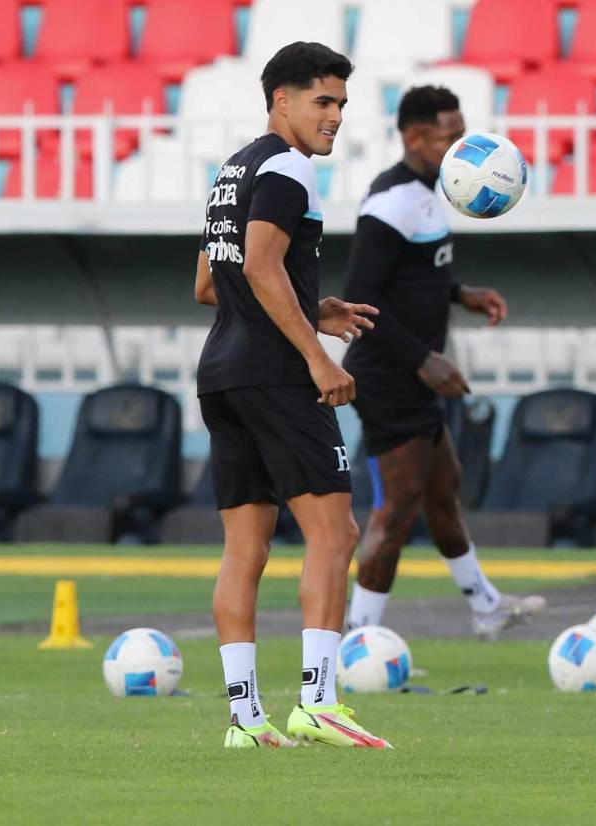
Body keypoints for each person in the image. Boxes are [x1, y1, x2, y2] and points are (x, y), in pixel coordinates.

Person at [195, 42, 389, 749]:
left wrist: (316, 306)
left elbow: (211, 284)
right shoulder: (287, 166)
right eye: (323, 102)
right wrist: (317, 356)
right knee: (335, 535)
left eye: (341, 103)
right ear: (282, 99)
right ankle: (319, 700)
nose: (335, 117)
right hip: (276, 375)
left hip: (221, 371)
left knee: (245, 547)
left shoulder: (234, 169)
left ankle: (246, 720)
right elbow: (261, 264)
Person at [341, 86, 545, 640]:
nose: (462, 146)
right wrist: (424, 359)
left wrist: (461, 294)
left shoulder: (434, 192)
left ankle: (485, 606)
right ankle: (357, 639)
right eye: (450, 136)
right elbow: (359, 295)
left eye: (463, 132)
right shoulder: (391, 201)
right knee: (399, 506)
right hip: (388, 374)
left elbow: (413, 275)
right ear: (413, 137)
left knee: (443, 486)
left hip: (412, 372)